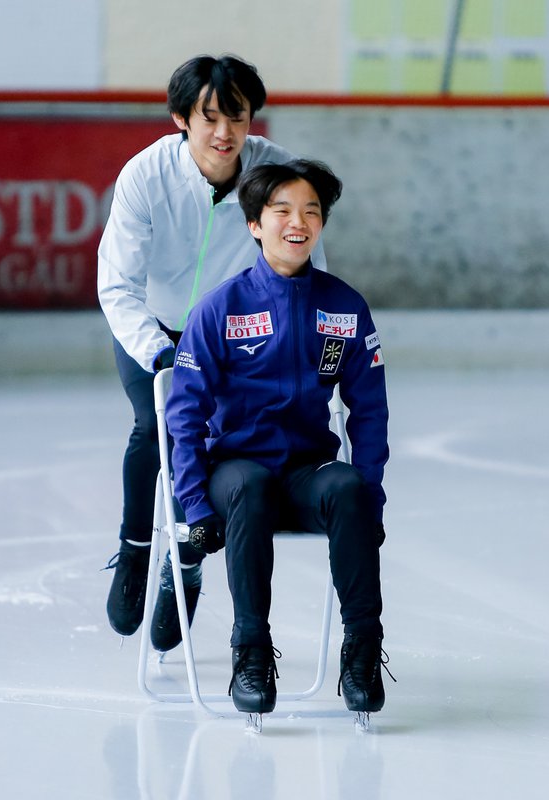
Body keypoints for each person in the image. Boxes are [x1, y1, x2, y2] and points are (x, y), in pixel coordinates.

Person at [97, 55, 327, 650]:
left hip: (237, 331)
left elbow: (306, 263)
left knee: (226, 440)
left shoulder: (275, 172)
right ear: (181, 118)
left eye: (239, 117)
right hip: (159, 327)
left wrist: (304, 341)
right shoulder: (145, 176)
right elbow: (117, 285)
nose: (225, 133)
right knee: (159, 429)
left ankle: (188, 563)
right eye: (210, 118)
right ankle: (135, 549)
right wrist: (160, 354)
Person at [164, 159, 392, 720]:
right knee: (251, 487)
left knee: (348, 488)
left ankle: (361, 656)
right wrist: (193, 501)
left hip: (308, 469)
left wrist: (371, 492)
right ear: (254, 225)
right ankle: (251, 654)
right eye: (283, 210)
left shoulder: (344, 306)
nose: (299, 221)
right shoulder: (220, 308)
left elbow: (369, 408)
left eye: (311, 211)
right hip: (236, 471)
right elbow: (185, 414)